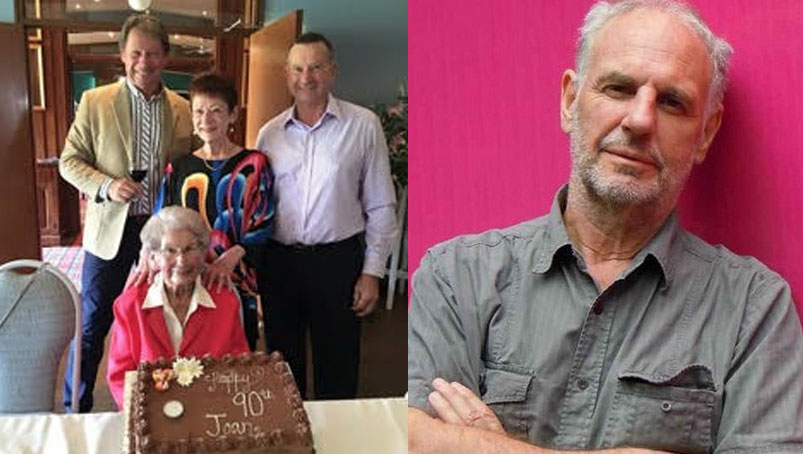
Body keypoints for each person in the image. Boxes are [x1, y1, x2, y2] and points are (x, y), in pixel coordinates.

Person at [408, 1, 803, 453]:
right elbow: (412, 439)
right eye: (619, 88)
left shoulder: (754, 309)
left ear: (706, 134)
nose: (639, 120)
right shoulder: (456, 276)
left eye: (672, 102)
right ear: (570, 101)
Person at [58, 14, 192, 412]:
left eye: (152, 54)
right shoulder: (96, 102)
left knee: (161, 321)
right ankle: (74, 409)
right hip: (111, 231)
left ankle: (160, 408)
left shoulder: (183, 109)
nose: (143, 62)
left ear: (165, 57)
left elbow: (192, 166)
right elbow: (69, 161)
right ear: (122, 54)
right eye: (136, 53)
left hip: (163, 238)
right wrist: (106, 185)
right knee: (94, 322)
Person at [255, 32, 397, 399]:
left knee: (338, 363)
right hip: (279, 263)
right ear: (287, 74)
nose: (307, 77)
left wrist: (372, 272)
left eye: (316, 67)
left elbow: (381, 204)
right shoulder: (268, 134)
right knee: (283, 367)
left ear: (332, 71)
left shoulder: (363, 125)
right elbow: (257, 208)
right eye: (299, 68)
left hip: (337, 262)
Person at [154, 72, 275, 351]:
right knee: (189, 352)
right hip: (185, 277)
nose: (206, 119)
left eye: (216, 110)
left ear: (232, 115)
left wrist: (229, 259)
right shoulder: (178, 167)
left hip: (235, 277)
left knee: (234, 352)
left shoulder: (254, 163)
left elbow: (264, 220)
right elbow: (162, 222)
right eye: (199, 111)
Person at [106, 206, 249, 409]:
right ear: (153, 257)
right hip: (151, 419)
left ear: (203, 254)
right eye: (170, 250)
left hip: (211, 415)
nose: (181, 260)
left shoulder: (224, 303)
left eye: (191, 249)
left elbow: (240, 368)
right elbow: (120, 377)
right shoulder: (130, 306)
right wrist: (145, 415)